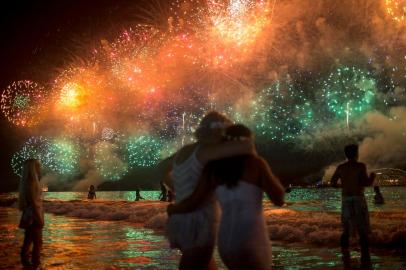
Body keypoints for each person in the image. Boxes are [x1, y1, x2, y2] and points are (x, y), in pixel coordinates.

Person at [168, 124, 284, 270]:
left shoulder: (213, 169)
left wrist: (173, 209)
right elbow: (279, 199)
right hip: (252, 238)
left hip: (226, 243)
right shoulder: (256, 164)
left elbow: (193, 202)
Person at [166, 111, 256, 270]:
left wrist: (179, 195)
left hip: (181, 222)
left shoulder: (184, 151)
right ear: (218, 131)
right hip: (201, 221)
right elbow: (247, 147)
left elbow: (163, 172)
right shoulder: (207, 152)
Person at [331, 144, 375, 263]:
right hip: (358, 199)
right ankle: (365, 256)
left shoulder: (341, 167)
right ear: (356, 153)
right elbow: (366, 183)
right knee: (362, 229)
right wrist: (372, 177)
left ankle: (345, 254)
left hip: (346, 199)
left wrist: (344, 185)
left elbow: (333, 182)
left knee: (346, 229)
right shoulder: (360, 166)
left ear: (346, 154)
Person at [18, 159, 44, 268]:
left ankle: (25, 262)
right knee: (37, 242)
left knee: (28, 240)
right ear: (33, 168)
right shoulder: (32, 182)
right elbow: (34, 202)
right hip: (33, 215)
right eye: (37, 166)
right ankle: (35, 263)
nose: (40, 168)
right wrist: (39, 218)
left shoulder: (26, 182)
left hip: (28, 215)